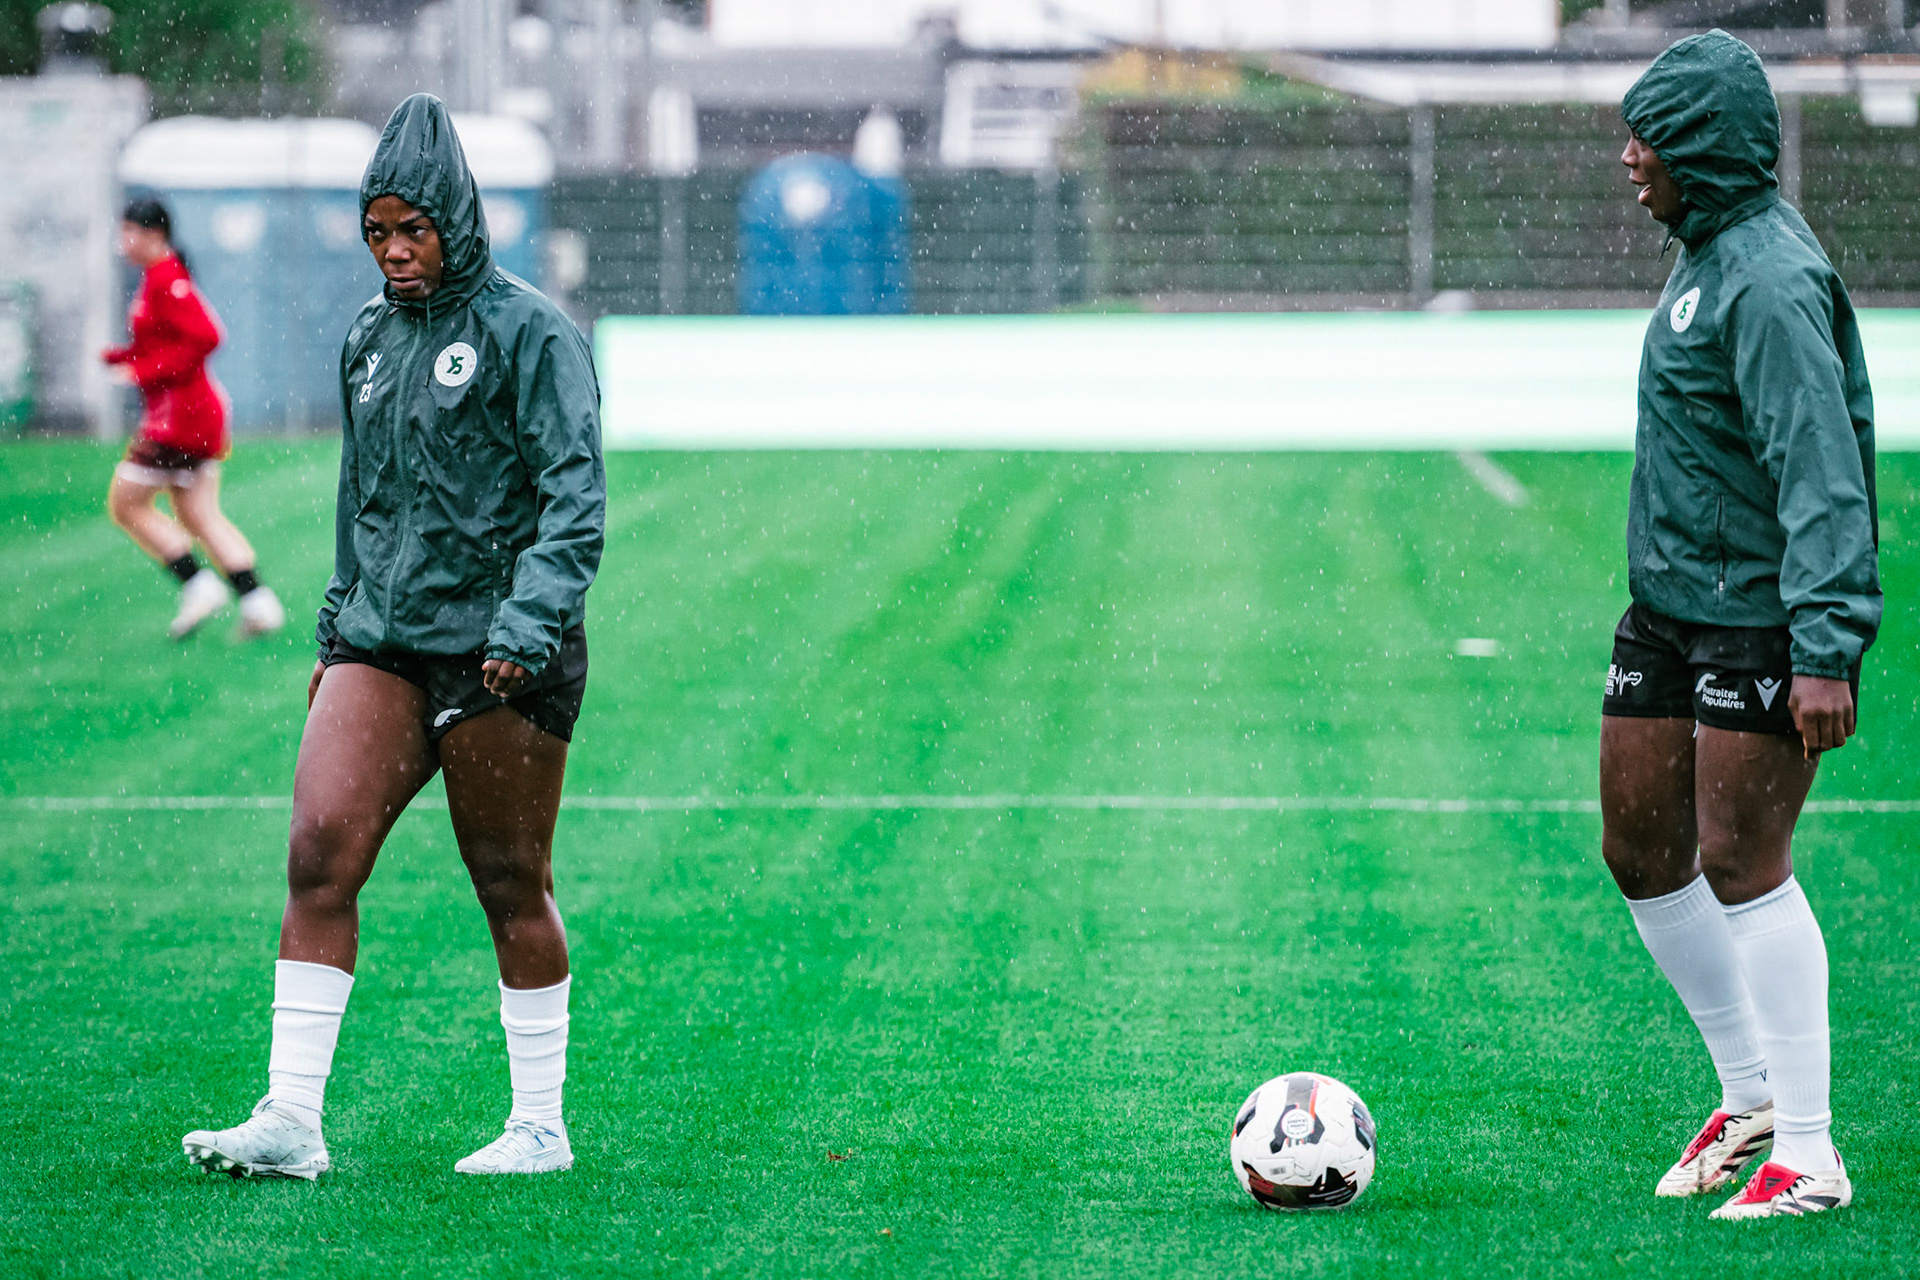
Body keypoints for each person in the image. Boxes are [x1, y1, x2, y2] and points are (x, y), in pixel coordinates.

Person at [180, 95, 605, 1178]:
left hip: (502, 650)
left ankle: (540, 1125)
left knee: (509, 877)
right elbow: (362, 502)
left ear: (457, 223)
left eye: (414, 231)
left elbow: (573, 501)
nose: (397, 253)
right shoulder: (370, 337)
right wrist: (334, 630)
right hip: (382, 640)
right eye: (379, 234)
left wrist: (528, 619)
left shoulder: (531, 333)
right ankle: (290, 1118)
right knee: (319, 853)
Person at [1601, 31, 1878, 1220]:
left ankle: (1809, 1151)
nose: (1629, 159)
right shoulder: (1709, 249)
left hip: (1761, 614)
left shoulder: (1765, 278)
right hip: (1671, 607)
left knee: (1740, 862)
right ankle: (1750, 1092)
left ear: (1699, 149)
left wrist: (1826, 643)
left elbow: (1822, 469)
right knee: (1640, 847)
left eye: (1646, 139)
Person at [104, 198, 285, 640]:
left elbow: (206, 336)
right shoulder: (158, 278)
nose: (122, 242)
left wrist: (143, 371)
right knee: (198, 512)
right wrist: (122, 359)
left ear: (153, 235)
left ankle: (199, 585)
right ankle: (259, 603)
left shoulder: (168, 278)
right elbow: (164, 342)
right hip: (190, 415)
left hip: (182, 418)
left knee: (126, 503)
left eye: (128, 232)